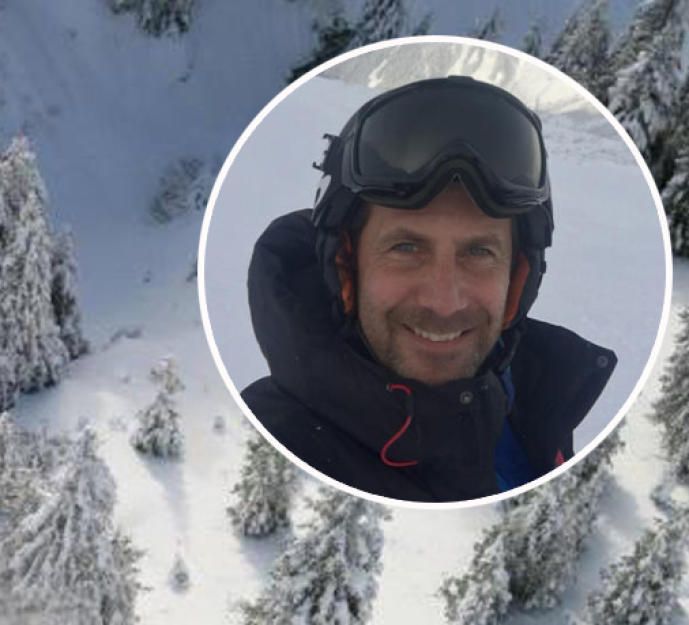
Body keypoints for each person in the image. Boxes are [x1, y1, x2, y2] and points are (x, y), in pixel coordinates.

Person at [241, 76, 617, 503]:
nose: (444, 302)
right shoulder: (277, 445)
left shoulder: (536, 399)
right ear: (347, 264)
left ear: (518, 275)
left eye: (479, 251)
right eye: (406, 248)